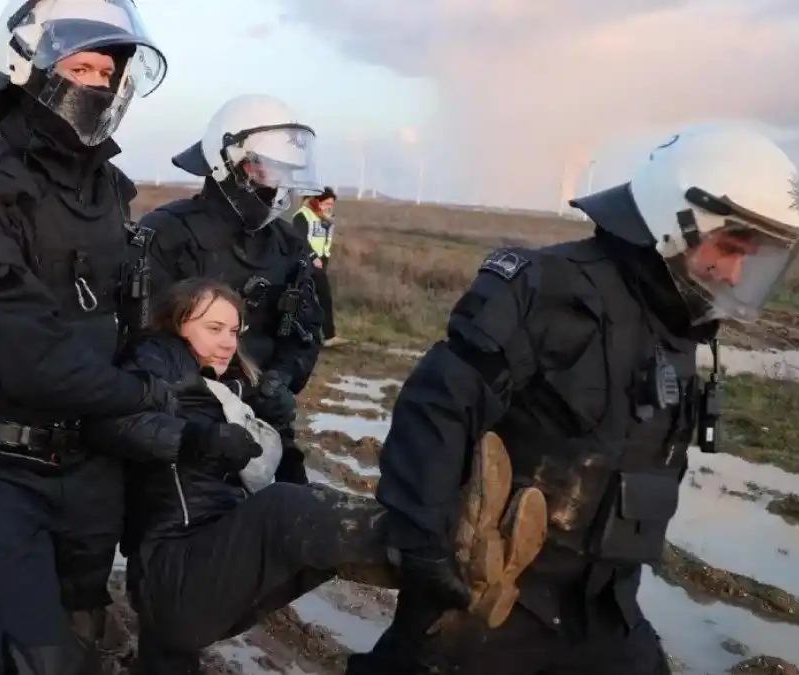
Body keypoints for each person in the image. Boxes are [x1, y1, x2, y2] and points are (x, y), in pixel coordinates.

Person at [346, 123, 799, 674]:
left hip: (606, 613)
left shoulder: (681, 330)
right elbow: (438, 407)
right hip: (493, 602)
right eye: (728, 249)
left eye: (748, 258)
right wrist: (423, 544)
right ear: (675, 220)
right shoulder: (545, 287)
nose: (734, 273)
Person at [0, 1, 186, 672]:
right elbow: (29, 354)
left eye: (108, 72)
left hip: (94, 467)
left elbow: (137, 317)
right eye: (80, 68)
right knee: (29, 655)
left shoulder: (111, 193)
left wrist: (167, 365)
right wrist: (145, 394)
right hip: (1, 466)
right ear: (25, 67)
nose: (98, 85)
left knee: (84, 631)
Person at [91, 277, 547, 675]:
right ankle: (451, 538)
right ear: (175, 324)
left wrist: (279, 432)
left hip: (205, 580)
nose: (228, 342)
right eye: (214, 328)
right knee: (281, 510)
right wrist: (197, 439)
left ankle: (463, 579)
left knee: (313, 539)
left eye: (234, 331)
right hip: (174, 576)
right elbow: (117, 423)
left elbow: (269, 470)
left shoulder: (227, 389)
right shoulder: (155, 360)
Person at [137, 94, 327, 486]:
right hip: (185, 428)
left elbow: (305, 332)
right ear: (227, 164)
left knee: (292, 513)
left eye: (286, 173)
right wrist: (216, 395)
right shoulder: (168, 233)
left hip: (263, 425)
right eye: (266, 169)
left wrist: (278, 382)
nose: (277, 186)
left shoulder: (289, 245)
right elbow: (142, 339)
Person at [292, 187, 345, 347]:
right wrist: (313, 256)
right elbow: (300, 240)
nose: (330, 207)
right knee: (303, 299)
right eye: (327, 203)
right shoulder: (302, 215)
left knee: (324, 298)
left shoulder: (326, 219)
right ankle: (298, 335)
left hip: (320, 263)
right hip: (305, 262)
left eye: (332, 204)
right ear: (317, 201)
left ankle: (329, 336)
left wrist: (324, 257)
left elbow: (325, 241)